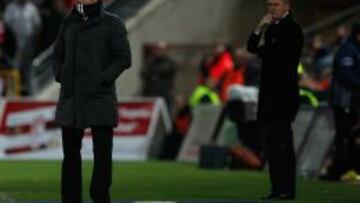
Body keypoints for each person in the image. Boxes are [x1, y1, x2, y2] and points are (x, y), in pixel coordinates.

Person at [52, 0, 131, 202]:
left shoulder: (112, 23)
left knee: (102, 156)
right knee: (70, 156)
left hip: (100, 98)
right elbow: (57, 54)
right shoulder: (68, 22)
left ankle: (100, 198)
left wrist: (102, 79)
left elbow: (123, 58)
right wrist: (61, 75)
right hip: (71, 99)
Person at [247, 0, 303, 200]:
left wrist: (265, 50)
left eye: (276, 4)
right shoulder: (271, 29)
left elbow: (280, 56)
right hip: (268, 96)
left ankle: (287, 189)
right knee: (270, 144)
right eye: (269, 5)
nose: (272, 8)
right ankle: (276, 188)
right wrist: (259, 27)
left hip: (283, 96)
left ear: (287, 6)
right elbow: (252, 48)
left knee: (283, 144)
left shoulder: (293, 29)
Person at [328, 23, 360, 181]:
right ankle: (340, 170)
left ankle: (348, 169)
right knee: (344, 136)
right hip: (343, 101)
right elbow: (346, 76)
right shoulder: (348, 50)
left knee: (350, 136)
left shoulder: (354, 50)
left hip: (352, 101)